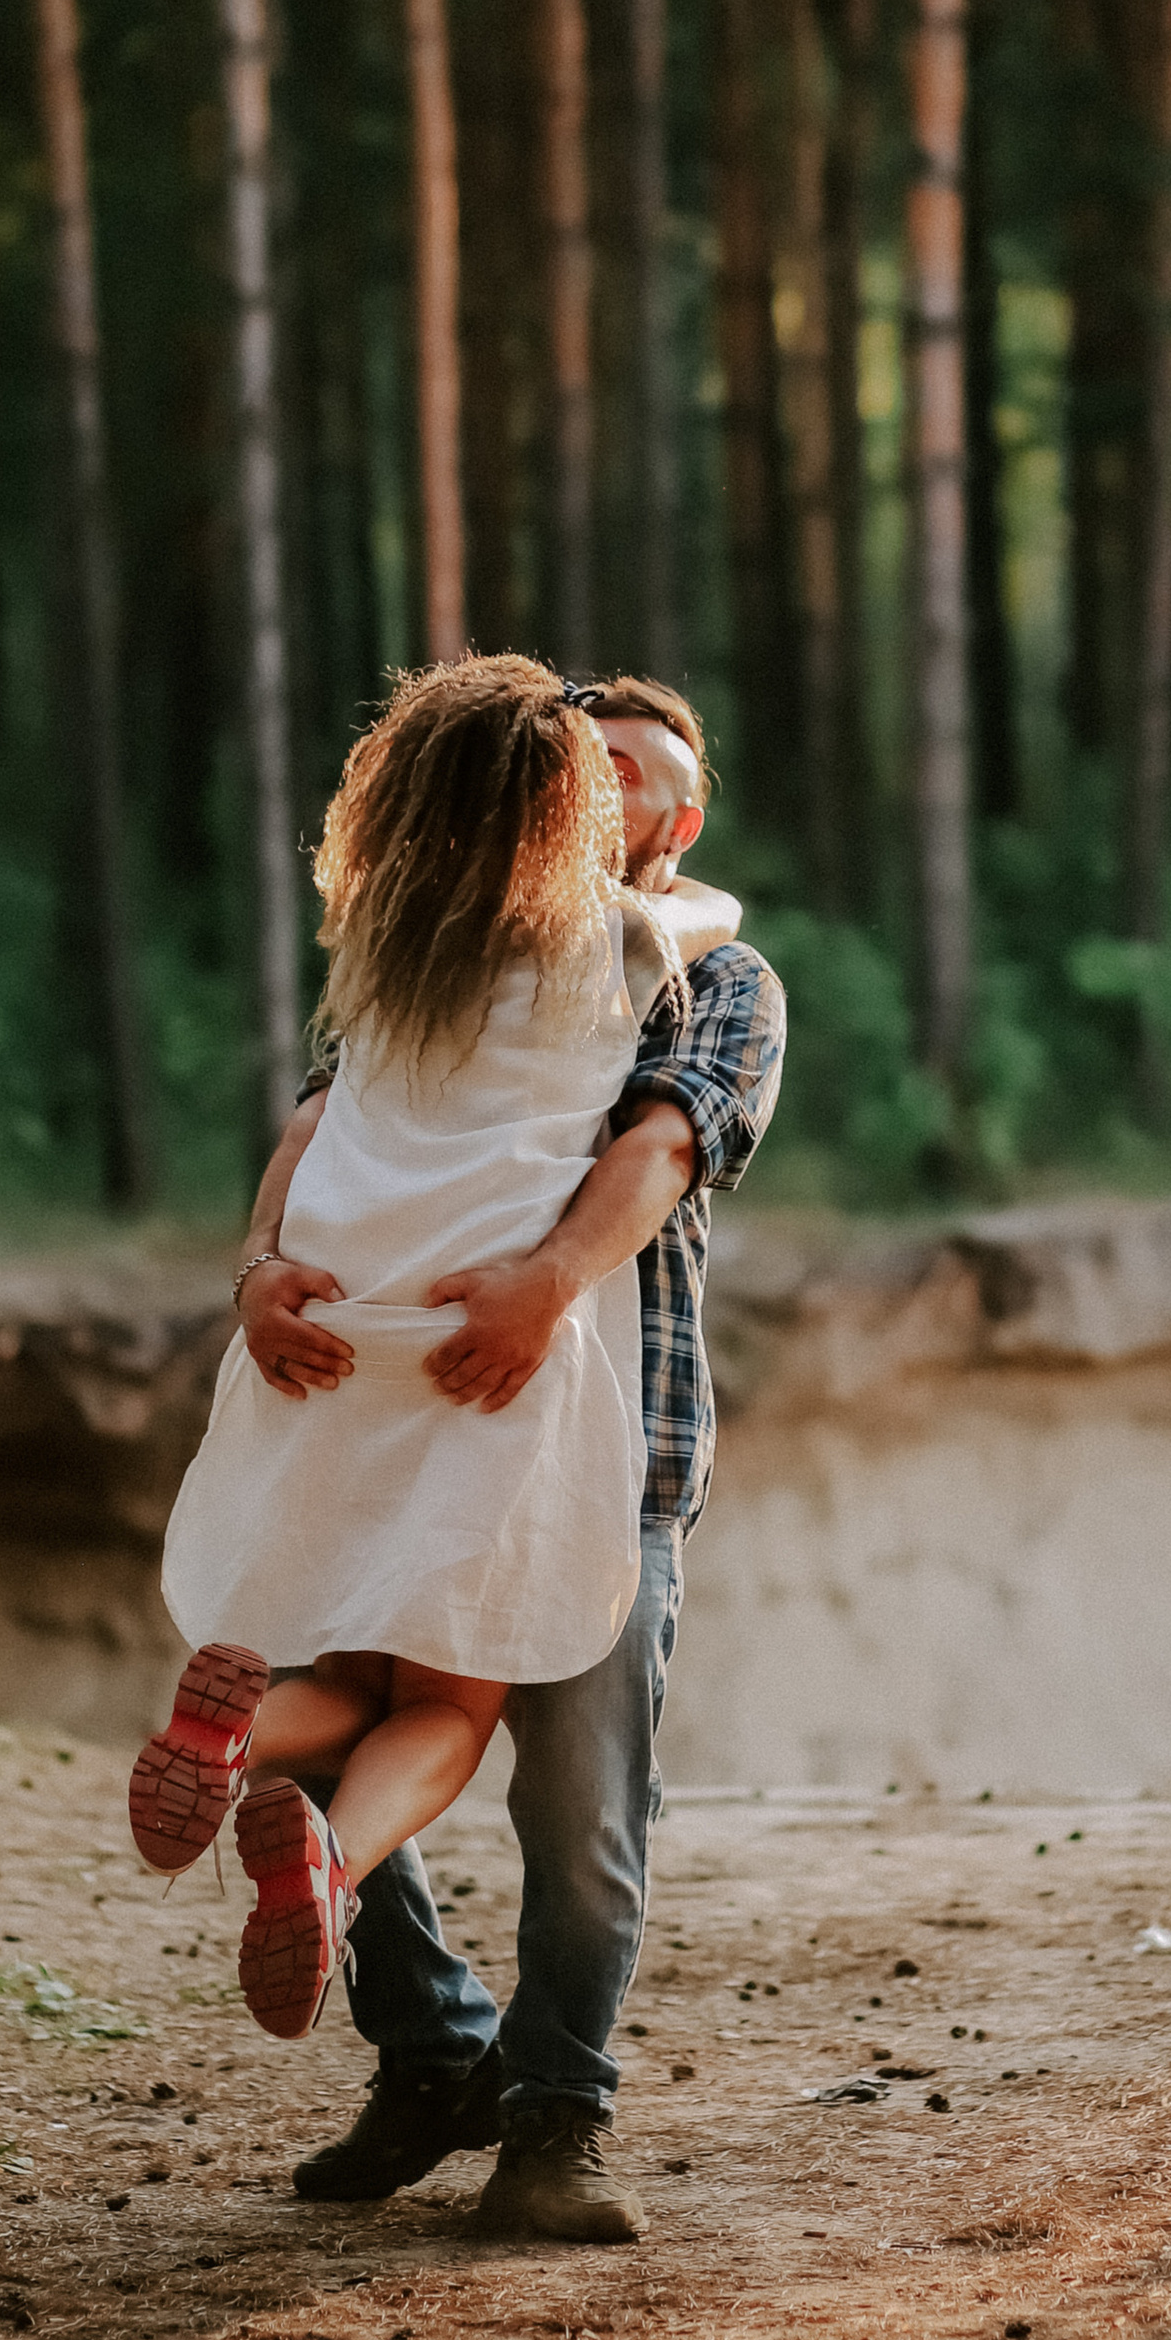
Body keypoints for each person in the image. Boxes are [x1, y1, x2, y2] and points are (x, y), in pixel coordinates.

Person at [132, 657, 748, 2047]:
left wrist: (271, 1264)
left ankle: (233, 1741)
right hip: (496, 1351)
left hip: (354, 1326)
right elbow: (702, 937)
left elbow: (310, 1126)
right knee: (451, 1717)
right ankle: (338, 1870)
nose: (616, 790)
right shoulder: (634, 943)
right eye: (593, 770)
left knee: (350, 1685)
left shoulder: (398, 945)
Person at [240, 673, 785, 2242]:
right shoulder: (438, 966)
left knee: (581, 1812)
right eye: (578, 763)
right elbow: (322, 1126)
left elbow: (664, 1143)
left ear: (677, 824)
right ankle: (431, 2049)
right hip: (400, 1424)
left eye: (634, 773)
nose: (598, 785)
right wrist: (261, 1268)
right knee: (329, 1734)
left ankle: (559, 2124)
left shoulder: (721, 975)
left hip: (616, 1453)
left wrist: (545, 1289)